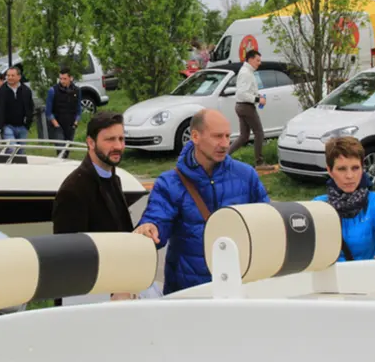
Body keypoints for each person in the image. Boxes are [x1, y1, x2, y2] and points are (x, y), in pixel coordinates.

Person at [134, 108, 271, 295]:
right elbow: (156, 219)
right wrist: (149, 228)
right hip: (189, 294)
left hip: (240, 289)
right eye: (217, 137)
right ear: (195, 137)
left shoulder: (246, 176)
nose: (224, 144)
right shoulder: (170, 183)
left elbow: (268, 222)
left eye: (227, 136)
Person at [315, 136, 375, 265]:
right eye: (341, 169)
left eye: (355, 168)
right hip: (334, 280)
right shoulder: (318, 207)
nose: (349, 176)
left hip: (371, 278)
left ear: (362, 167)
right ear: (330, 170)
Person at [53, 110, 133, 234]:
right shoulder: (73, 190)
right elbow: (68, 249)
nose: (118, 146)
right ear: (91, 143)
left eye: (121, 139)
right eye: (110, 139)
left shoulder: (113, 179)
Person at [228, 50, 270, 169]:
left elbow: (246, 91)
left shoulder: (247, 71)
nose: (259, 63)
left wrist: (258, 97)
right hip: (246, 106)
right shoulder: (246, 73)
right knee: (259, 133)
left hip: (241, 106)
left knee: (244, 136)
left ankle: (223, 156)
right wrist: (258, 100)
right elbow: (242, 94)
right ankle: (259, 162)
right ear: (250, 59)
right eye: (257, 60)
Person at [0, 66, 35, 153]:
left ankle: (18, 165)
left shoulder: (26, 90)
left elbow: (30, 107)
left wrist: (28, 122)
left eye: (12, 75)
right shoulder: (1, 91)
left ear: (19, 77)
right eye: (8, 75)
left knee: (20, 150)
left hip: (22, 126)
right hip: (7, 126)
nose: (10, 78)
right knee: (12, 149)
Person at [45, 67, 82, 157]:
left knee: (67, 149)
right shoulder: (53, 91)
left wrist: (76, 122)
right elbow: (48, 112)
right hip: (58, 124)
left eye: (64, 79)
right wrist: (56, 124)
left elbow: (78, 109)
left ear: (71, 78)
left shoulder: (77, 90)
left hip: (70, 124)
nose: (62, 81)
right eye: (60, 78)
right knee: (61, 150)